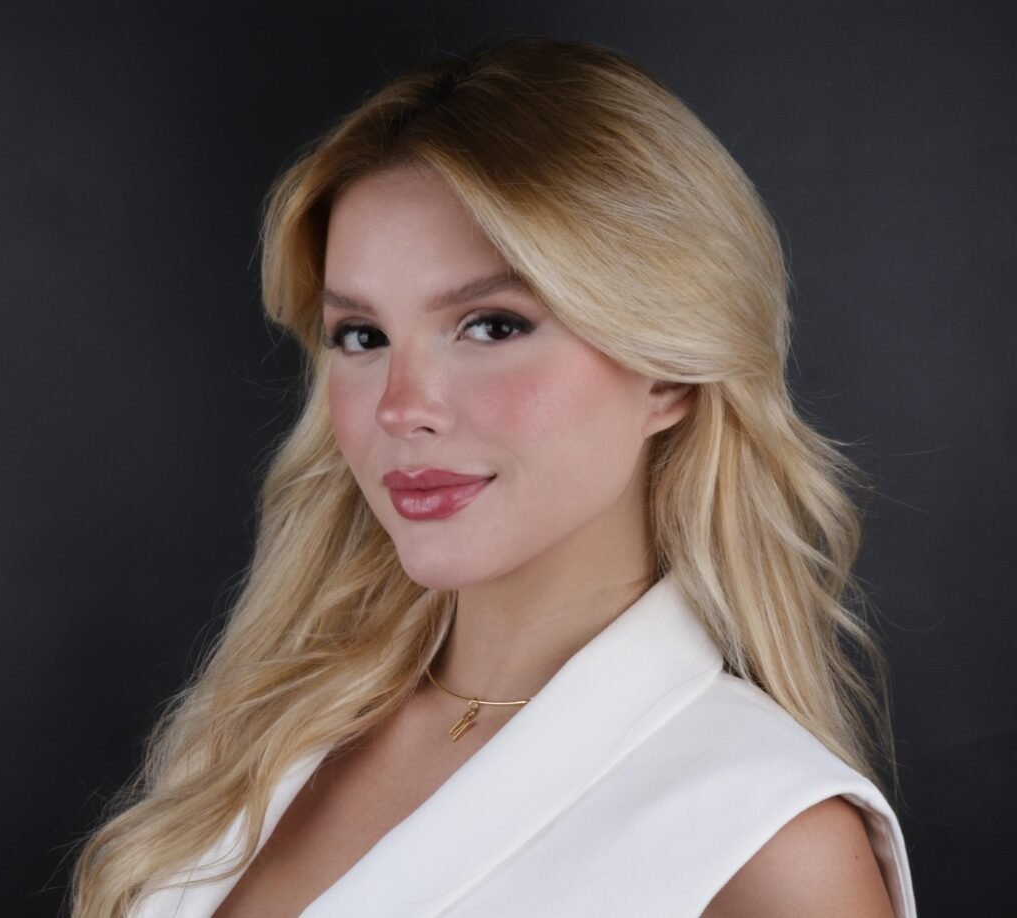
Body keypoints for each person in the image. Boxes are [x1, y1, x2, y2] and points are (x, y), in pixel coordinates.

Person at [71, 35, 917, 917]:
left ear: (668, 371)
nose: (402, 407)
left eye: (492, 325)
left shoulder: (767, 841)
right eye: (363, 335)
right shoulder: (259, 732)